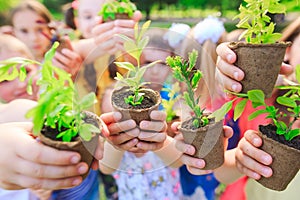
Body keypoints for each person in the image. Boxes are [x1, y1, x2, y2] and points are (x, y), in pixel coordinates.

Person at [8, 0, 82, 78]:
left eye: (40, 29)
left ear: (50, 29)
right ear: (13, 32)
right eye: (24, 31)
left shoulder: (63, 56)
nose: (34, 38)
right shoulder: (10, 67)